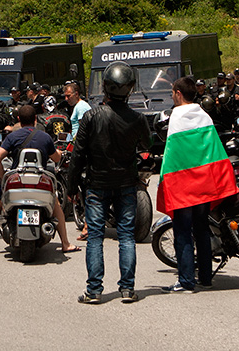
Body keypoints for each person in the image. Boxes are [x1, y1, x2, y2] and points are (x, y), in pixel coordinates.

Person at [68, 63, 151, 304]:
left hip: (97, 185)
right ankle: (127, 289)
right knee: (126, 236)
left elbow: (78, 156)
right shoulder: (137, 118)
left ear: (104, 86)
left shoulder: (91, 116)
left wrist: (72, 187)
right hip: (126, 184)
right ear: (131, 89)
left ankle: (94, 291)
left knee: (95, 237)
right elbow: (147, 144)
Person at [159, 76, 237, 293]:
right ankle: (205, 277)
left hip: (184, 186)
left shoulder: (176, 117)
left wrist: (165, 179)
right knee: (201, 229)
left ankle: (185, 281)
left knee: (183, 232)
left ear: (178, 93)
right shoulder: (204, 115)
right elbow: (212, 150)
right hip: (204, 184)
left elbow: (173, 154)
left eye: (173, 92)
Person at [0, 104, 79, 255]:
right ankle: (65, 244)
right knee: (55, 203)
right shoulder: (45, 137)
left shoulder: (12, 137)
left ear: (18, 120)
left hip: (17, 181)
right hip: (40, 181)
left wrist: (3, 177)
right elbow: (56, 158)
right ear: (35, 119)